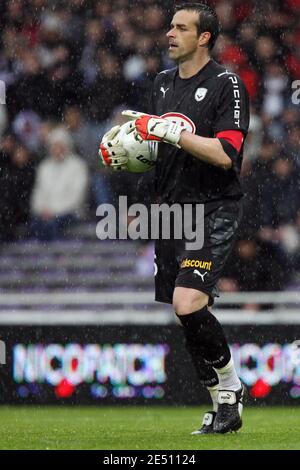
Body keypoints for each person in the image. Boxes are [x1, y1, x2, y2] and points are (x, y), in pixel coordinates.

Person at [99, 3, 249, 434]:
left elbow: (225, 154)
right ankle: (223, 403)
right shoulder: (162, 84)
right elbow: (162, 154)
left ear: (204, 37)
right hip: (169, 213)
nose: (170, 33)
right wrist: (130, 158)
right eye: (170, 26)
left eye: (181, 28)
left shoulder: (227, 84)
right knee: (184, 313)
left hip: (213, 207)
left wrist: (170, 132)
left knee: (188, 302)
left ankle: (231, 389)